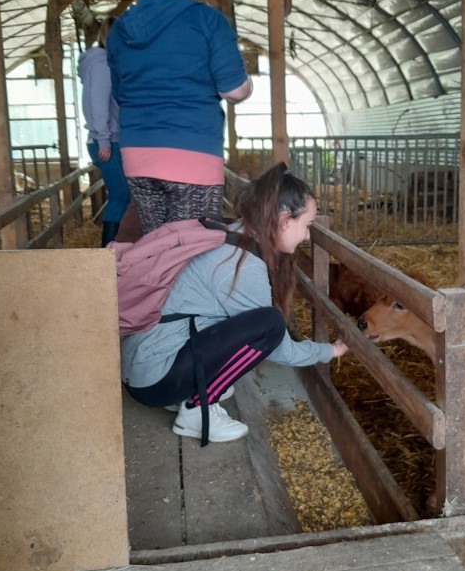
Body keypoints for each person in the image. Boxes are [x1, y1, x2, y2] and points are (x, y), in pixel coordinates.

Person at [121, 163, 349, 443]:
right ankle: (196, 412)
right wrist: (329, 351)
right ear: (285, 220)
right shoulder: (243, 265)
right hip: (153, 379)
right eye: (307, 225)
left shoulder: (229, 233)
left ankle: (190, 392)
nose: (307, 236)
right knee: (270, 324)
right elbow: (279, 349)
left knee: (261, 324)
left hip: (141, 363)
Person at [107, 0, 252, 235]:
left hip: (138, 152)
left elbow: (120, 93)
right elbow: (234, 90)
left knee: (158, 244)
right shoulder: (208, 20)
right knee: (192, 250)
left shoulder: (120, 27)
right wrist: (247, 86)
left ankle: (155, 281)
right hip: (192, 150)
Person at [77, 16, 132, 246]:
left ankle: (115, 251)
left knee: (124, 196)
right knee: (121, 196)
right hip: (108, 140)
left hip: (114, 138)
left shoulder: (108, 63)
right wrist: (103, 139)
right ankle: (108, 252)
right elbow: (96, 102)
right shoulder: (100, 62)